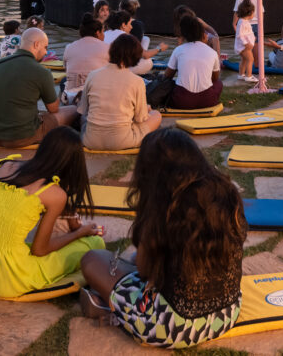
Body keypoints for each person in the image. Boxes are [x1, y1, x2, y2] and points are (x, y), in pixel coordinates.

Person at [79, 128, 246, 348]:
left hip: (171, 328)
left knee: (92, 259)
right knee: (140, 256)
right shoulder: (227, 194)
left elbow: (145, 269)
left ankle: (115, 310)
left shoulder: (163, 209)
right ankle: (115, 306)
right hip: (226, 314)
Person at [0, 127, 105, 297]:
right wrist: (81, 233)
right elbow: (39, 250)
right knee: (95, 243)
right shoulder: (54, 194)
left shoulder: (4, 166)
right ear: (73, 163)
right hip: (11, 277)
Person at [0, 28, 78, 148]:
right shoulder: (41, 72)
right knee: (74, 109)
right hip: (21, 136)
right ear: (37, 44)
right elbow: (53, 109)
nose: (45, 52)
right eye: (45, 47)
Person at [80, 35, 163, 151]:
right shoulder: (137, 81)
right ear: (135, 56)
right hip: (122, 141)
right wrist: (147, 109)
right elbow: (140, 119)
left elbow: (84, 110)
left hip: (91, 140)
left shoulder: (92, 75)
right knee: (156, 115)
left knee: (83, 120)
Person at [163, 14, 223, 109]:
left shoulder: (178, 50)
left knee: (169, 84)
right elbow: (215, 78)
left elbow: (167, 76)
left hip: (181, 101)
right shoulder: (212, 53)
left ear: (184, 35)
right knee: (219, 83)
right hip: (207, 100)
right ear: (203, 34)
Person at [63, 13, 108, 97]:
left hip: (72, 96)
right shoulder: (107, 48)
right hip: (96, 97)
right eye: (103, 31)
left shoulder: (69, 47)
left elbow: (66, 70)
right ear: (98, 33)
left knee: (64, 81)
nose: (104, 35)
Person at [234, 0, 256, 82]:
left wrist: (253, 38)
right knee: (250, 59)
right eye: (253, 12)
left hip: (244, 46)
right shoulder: (242, 22)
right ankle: (248, 76)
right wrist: (246, 43)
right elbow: (240, 35)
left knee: (244, 60)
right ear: (250, 13)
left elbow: (247, 33)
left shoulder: (244, 21)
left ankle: (241, 74)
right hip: (244, 47)